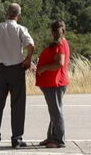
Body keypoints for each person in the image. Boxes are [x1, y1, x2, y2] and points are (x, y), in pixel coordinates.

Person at [0, 3, 35, 148]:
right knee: (17, 104)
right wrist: (28, 59)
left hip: (0, 69)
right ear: (19, 15)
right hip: (16, 69)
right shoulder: (21, 29)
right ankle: (16, 138)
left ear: (6, 13)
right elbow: (31, 45)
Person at [35, 20, 70, 148]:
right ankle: (52, 137)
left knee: (56, 112)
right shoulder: (60, 43)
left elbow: (59, 63)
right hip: (53, 82)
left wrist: (43, 68)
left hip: (54, 83)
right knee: (54, 112)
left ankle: (58, 139)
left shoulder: (60, 44)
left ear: (52, 32)